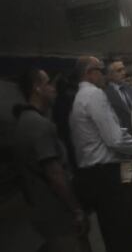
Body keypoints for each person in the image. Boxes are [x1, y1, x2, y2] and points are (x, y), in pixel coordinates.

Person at [70, 56, 132, 252]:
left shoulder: (81, 98)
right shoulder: (94, 95)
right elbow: (115, 139)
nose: (105, 75)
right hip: (109, 176)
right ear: (89, 73)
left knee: (115, 232)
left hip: (98, 176)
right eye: (101, 70)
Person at [13, 68, 88, 252]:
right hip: (58, 215)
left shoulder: (23, 121)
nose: (53, 88)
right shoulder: (38, 125)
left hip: (43, 211)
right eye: (47, 83)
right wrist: (76, 210)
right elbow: (55, 175)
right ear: (37, 88)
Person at [105, 60, 132, 134]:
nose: (123, 73)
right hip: (122, 135)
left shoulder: (128, 88)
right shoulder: (106, 94)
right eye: (119, 71)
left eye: (123, 69)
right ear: (110, 75)